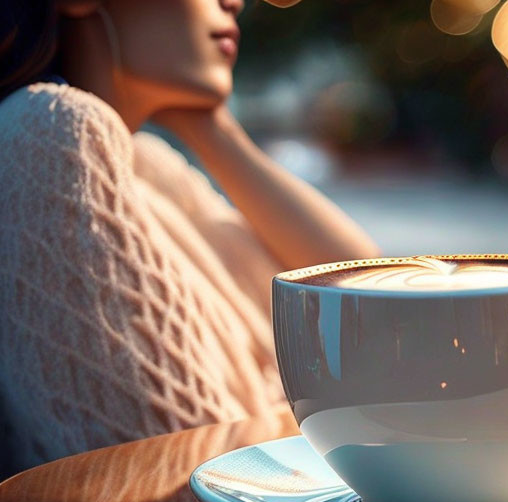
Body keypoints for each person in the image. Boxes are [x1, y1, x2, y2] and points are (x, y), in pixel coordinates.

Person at [0, 0, 380, 474]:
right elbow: (204, 484)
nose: (235, 2)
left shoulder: (146, 165)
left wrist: (213, 126)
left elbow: (362, 292)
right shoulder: (50, 133)